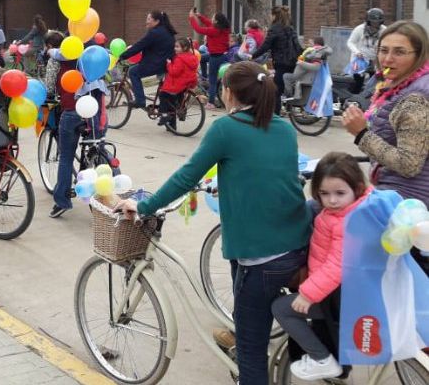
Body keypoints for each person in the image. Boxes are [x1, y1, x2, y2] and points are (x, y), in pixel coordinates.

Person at [115, 61, 311, 385]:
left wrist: (145, 206)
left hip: (260, 258)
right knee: (252, 313)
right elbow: (272, 174)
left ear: (230, 93)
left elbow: (185, 177)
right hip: (298, 248)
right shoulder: (284, 128)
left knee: (250, 351)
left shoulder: (226, 129)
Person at [271, 152, 372, 381]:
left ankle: (322, 359)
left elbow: (338, 264)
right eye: (324, 194)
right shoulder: (356, 207)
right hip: (340, 292)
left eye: (339, 193)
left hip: (338, 298)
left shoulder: (346, 222)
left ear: (356, 188)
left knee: (281, 308)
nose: (332, 201)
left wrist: (307, 294)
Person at [342, 20, 429, 272]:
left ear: (419, 54)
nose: (388, 58)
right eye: (383, 50)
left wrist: (361, 134)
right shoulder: (396, 86)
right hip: (396, 197)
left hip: (408, 208)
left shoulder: (415, 98)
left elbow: (409, 164)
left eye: (399, 52)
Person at [50, 43, 108, 219]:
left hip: (71, 112)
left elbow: (50, 80)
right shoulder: (97, 58)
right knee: (99, 149)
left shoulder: (62, 58)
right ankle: (109, 192)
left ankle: (62, 202)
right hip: (96, 113)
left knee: (66, 157)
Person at [118, 10, 177, 108]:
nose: (147, 21)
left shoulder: (154, 33)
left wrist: (123, 56)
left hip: (156, 64)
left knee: (133, 72)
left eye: (149, 19)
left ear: (157, 21)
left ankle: (140, 100)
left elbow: (139, 45)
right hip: (166, 64)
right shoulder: (168, 31)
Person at [251, 5, 302, 114]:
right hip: (292, 62)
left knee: (276, 91)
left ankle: (276, 116)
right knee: (283, 86)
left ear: (274, 15)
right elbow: (298, 46)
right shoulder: (290, 27)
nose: (270, 17)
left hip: (281, 63)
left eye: (271, 15)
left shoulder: (274, 28)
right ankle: (288, 107)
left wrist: (253, 55)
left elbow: (266, 45)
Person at [189, 9, 232, 109]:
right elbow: (208, 22)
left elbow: (198, 29)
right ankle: (204, 76)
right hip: (222, 55)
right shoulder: (223, 28)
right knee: (202, 58)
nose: (211, 19)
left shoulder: (214, 30)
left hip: (215, 57)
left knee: (212, 81)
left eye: (213, 17)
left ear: (216, 21)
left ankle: (211, 103)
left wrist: (191, 18)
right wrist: (199, 16)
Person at [158, 38, 200, 129]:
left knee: (163, 95)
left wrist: (169, 64)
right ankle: (172, 126)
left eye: (177, 47)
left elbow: (174, 72)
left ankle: (164, 115)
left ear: (184, 48)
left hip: (177, 84)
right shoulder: (192, 57)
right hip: (186, 84)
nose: (175, 49)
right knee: (173, 102)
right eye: (175, 46)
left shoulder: (180, 58)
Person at [346, 8, 386, 93]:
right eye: (373, 22)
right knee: (357, 83)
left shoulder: (384, 30)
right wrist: (357, 52)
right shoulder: (359, 29)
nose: (375, 24)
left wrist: (381, 51)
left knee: (375, 83)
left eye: (378, 22)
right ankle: (353, 99)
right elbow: (350, 42)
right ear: (368, 21)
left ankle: (371, 100)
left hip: (375, 60)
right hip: (360, 59)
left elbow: (388, 43)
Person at [282, 36, 332, 102]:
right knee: (287, 76)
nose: (310, 45)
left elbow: (316, 67)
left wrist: (301, 63)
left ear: (315, 43)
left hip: (305, 77)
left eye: (312, 43)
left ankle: (289, 96)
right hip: (302, 75)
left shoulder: (317, 52)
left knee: (286, 76)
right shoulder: (316, 51)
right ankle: (289, 96)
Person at [43, 31, 65, 96]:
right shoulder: (73, 54)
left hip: (62, 95)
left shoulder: (53, 60)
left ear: (49, 46)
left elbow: (49, 86)